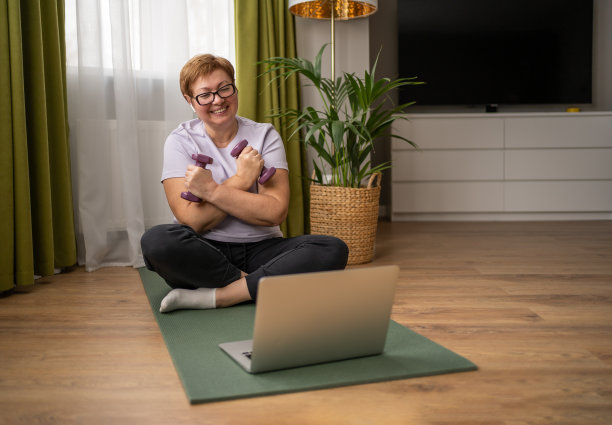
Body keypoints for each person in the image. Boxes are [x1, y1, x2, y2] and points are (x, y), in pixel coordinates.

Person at [140, 54, 348, 313]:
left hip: (263, 248)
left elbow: (274, 212)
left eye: (225, 88)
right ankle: (259, 284)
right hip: (205, 248)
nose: (218, 100)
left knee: (332, 248)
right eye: (205, 94)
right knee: (157, 241)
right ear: (190, 101)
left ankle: (221, 295)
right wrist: (241, 180)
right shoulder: (179, 140)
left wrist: (211, 191)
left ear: (234, 87)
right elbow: (192, 219)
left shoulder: (264, 135)